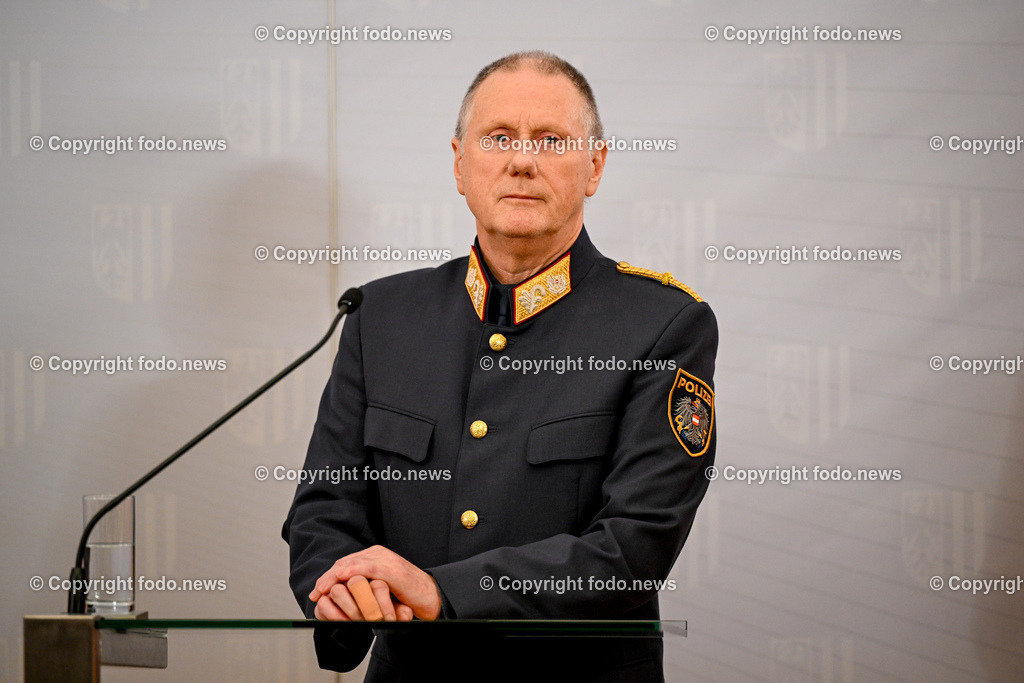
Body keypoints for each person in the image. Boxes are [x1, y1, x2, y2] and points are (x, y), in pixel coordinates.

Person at [282, 50, 718, 682]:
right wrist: (346, 592)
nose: (521, 160)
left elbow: (635, 547)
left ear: (594, 165)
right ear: (460, 163)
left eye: (551, 139)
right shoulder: (381, 315)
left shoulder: (662, 325)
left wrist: (442, 592)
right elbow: (324, 508)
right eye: (498, 138)